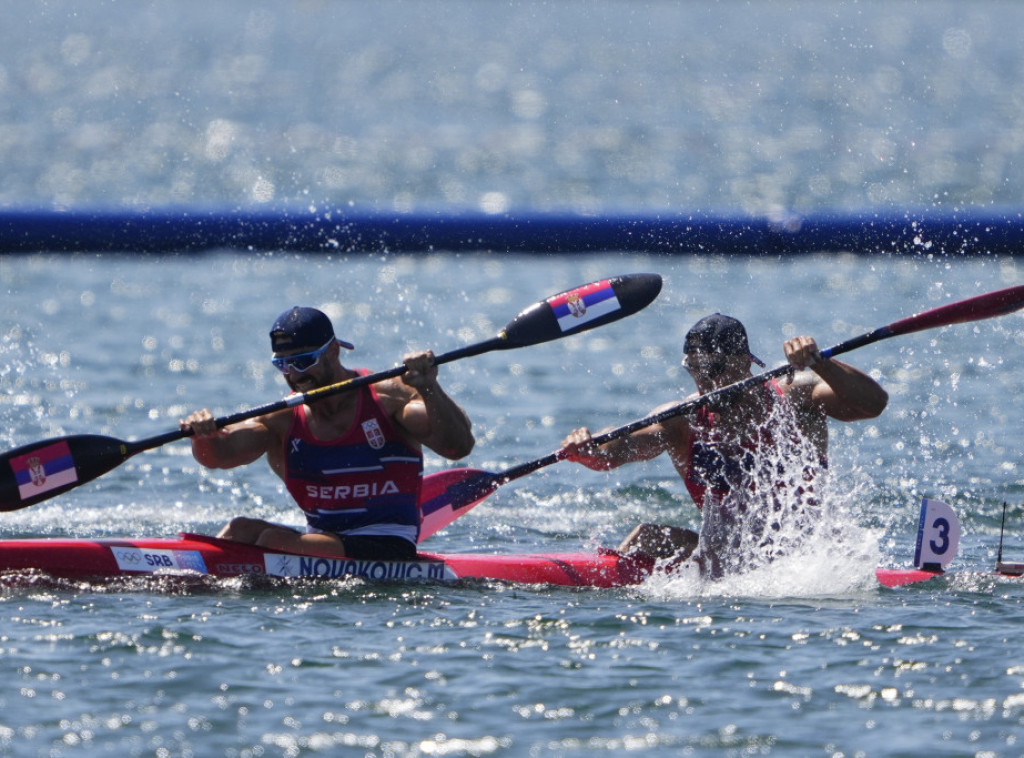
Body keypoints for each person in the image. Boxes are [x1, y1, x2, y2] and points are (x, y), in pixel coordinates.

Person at [560, 313, 888, 579]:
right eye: (694, 369)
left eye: (714, 368)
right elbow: (614, 452)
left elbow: (873, 404)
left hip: (803, 563)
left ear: (744, 362)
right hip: (726, 563)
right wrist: (589, 449)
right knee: (649, 537)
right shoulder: (682, 421)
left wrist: (820, 363)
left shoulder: (796, 399)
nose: (704, 381)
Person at [180, 306, 475, 561]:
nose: (294, 375)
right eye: (283, 364)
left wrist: (429, 388)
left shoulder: (388, 399)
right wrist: (203, 438)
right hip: (321, 543)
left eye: (304, 361)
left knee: (273, 541)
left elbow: (457, 447)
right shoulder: (281, 419)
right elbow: (219, 457)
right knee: (239, 529)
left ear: (333, 350)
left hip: (389, 545)